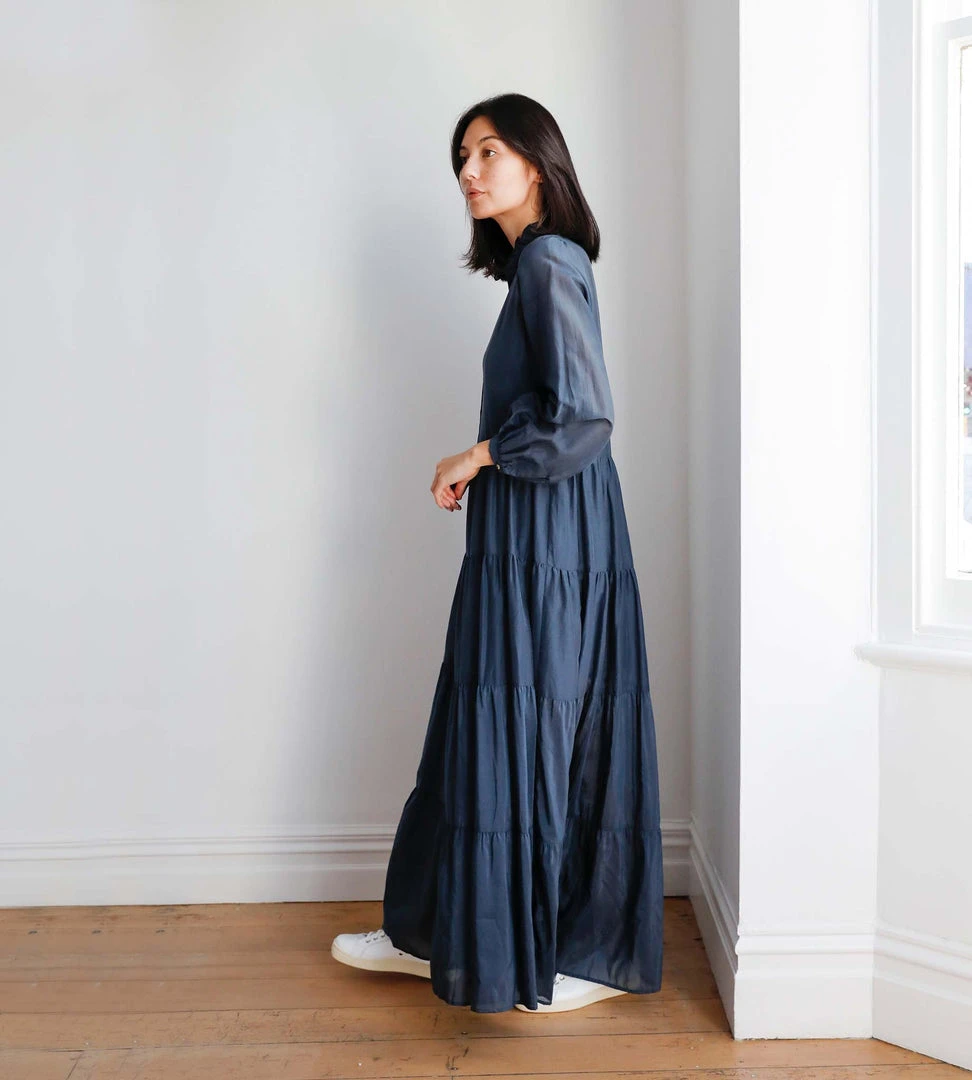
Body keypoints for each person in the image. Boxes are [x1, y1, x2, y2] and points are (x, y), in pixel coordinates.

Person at [331, 93, 664, 1014]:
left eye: (487, 152)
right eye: (461, 159)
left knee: (527, 722)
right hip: (539, 530)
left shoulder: (550, 261)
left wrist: (477, 456)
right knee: (497, 720)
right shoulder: (537, 270)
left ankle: (550, 955)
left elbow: (584, 416)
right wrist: (488, 463)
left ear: (538, 162)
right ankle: (446, 934)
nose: (468, 173)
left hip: (549, 535)